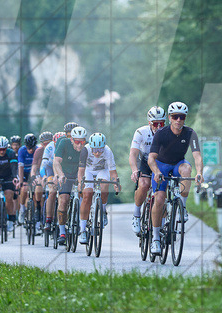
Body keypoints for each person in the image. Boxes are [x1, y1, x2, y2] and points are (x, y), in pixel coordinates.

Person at [147, 101, 203, 255]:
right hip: (162, 165)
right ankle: (156, 239)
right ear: (170, 118)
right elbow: (151, 158)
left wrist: (199, 172)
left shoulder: (190, 133)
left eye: (182, 117)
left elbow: (197, 156)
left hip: (178, 163)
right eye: (175, 116)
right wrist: (156, 171)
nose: (178, 120)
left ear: (185, 118)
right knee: (159, 200)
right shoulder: (161, 133)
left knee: (187, 169)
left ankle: (182, 208)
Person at [77, 132, 120, 243]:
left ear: (104, 147)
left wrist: (115, 183)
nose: (97, 153)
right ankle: (82, 230)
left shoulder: (108, 151)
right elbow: (81, 170)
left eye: (100, 150)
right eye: (94, 150)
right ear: (90, 146)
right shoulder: (85, 150)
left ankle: (103, 210)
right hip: (88, 170)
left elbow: (113, 172)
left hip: (102, 170)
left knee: (105, 185)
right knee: (87, 196)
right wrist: (80, 183)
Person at [128, 106, 165, 235]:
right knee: (144, 185)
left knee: (162, 192)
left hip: (161, 162)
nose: (158, 127)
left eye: (162, 123)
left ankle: (163, 220)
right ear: (149, 123)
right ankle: (136, 214)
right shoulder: (140, 132)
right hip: (144, 160)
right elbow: (133, 154)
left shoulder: (168, 132)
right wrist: (134, 170)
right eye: (155, 124)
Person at [53, 125, 88, 245]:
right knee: (63, 200)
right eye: (77, 142)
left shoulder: (87, 147)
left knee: (86, 196)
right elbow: (56, 161)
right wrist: (60, 174)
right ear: (72, 140)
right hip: (66, 174)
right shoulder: (63, 143)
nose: (80, 145)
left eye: (82, 142)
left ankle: (84, 223)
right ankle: (62, 232)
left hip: (81, 174)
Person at [31, 131, 59, 234]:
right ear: (41, 144)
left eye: (48, 142)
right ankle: (38, 208)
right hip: (45, 171)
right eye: (44, 143)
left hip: (57, 170)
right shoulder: (39, 151)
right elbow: (37, 166)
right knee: (39, 188)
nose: (46, 145)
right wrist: (37, 177)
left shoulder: (56, 147)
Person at [16, 133, 37, 226]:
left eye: (32, 147)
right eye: (29, 147)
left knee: (37, 193)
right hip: (23, 173)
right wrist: (21, 181)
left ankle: (36, 215)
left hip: (34, 173)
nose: (31, 150)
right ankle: (22, 209)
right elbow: (20, 167)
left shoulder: (37, 150)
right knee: (24, 188)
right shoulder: (22, 150)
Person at [8, 135, 22, 220]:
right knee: (12, 195)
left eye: (17, 145)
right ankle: (13, 213)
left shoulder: (21, 153)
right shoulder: (9, 153)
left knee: (19, 193)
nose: (15, 147)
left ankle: (19, 212)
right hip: (11, 175)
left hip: (19, 174)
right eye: (14, 145)